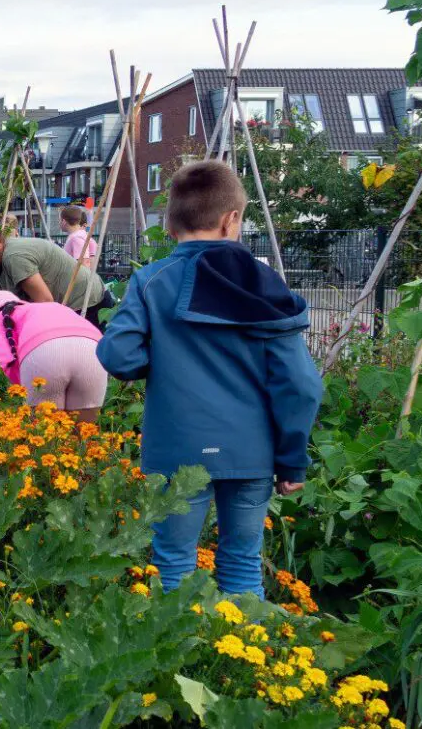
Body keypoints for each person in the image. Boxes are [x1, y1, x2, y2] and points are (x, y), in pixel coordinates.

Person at [96, 160, 323, 598]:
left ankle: (177, 642)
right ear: (231, 219)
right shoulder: (264, 284)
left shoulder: (152, 280)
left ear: (170, 222)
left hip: (177, 448)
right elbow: (300, 384)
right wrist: (292, 458)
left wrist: (161, 358)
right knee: (242, 563)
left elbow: (119, 356)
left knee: (173, 563)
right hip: (252, 450)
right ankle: (244, 641)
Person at [0, 218, 107, 360]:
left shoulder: (14, 257)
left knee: (91, 361)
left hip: (87, 302)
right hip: (68, 305)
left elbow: (45, 302)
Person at [0, 290, 106, 422]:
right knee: (84, 431)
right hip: (94, 348)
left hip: (45, 352)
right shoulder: (40, 308)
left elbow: (8, 361)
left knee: (45, 430)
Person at [59, 205, 98, 271]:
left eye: (60, 220)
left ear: (64, 221)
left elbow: (84, 264)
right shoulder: (79, 236)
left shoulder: (76, 238)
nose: (59, 222)